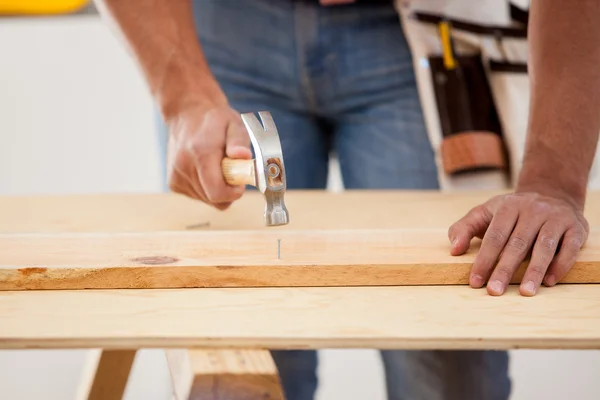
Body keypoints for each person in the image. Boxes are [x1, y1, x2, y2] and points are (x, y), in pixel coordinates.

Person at [94, 0, 600, 399]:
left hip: (414, 28)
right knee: (235, 348)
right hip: (222, 27)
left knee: (452, 331)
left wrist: (552, 180)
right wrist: (184, 96)